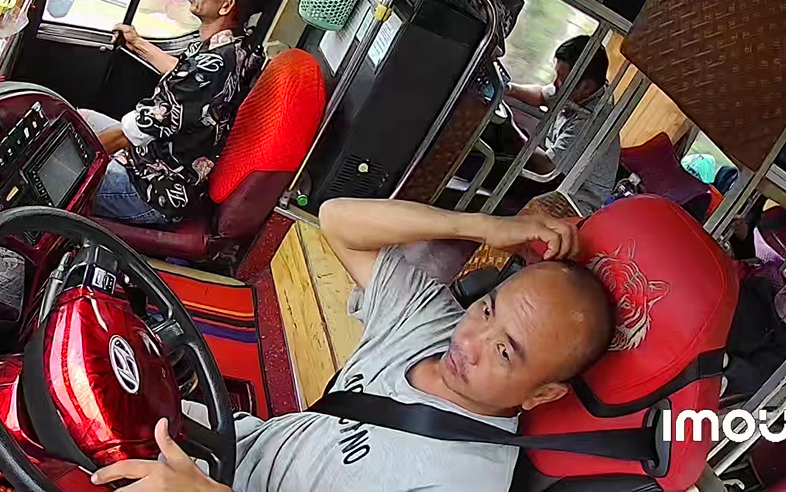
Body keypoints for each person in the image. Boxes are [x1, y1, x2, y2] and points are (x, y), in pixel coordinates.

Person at [91, 199, 617, 491]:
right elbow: (337, 220)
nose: (470, 342)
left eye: (505, 352)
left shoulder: (463, 480)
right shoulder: (430, 322)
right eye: (487, 309)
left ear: (542, 394)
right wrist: (481, 225)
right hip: (229, 441)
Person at [81, 0, 272, 226]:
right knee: (81, 117)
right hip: (147, 160)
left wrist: (77, 159)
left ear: (226, 5)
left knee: (58, 176)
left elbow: (131, 133)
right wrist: (137, 43)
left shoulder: (213, 67)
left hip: (152, 191)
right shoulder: (229, 47)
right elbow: (183, 73)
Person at [505, 35, 619, 213]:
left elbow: (547, 167)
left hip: (573, 197)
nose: (554, 84)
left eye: (560, 79)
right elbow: (542, 94)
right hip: (557, 177)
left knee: (502, 165)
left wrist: (510, 130)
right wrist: (507, 88)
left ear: (586, 87)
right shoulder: (577, 92)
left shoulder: (591, 121)